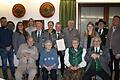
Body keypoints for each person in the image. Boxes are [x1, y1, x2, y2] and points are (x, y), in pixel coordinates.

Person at [106, 15, 120, 80]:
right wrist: (106, 50)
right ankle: (110, 78)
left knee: (117, 67)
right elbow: (108, 40)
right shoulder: (110, 29)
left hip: (117, 51)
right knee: (110, 66)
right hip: (109, 50)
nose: (114, 21)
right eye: (113, 20)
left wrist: (119, 53)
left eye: (116, 20)